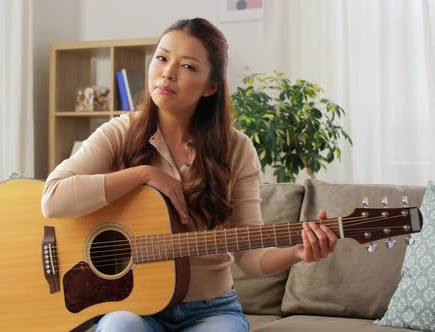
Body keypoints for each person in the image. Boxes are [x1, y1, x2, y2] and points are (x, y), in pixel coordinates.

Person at [41, 18, 337, 332]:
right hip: (134, 308)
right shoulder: (119, 132)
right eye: (162, 57)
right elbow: (53, 198)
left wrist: (297, 251)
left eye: (188, 67)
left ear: (211, 86)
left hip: (211, 311)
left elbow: (249, 255)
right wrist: (143, 175)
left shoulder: (237, 149)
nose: (168, 72)